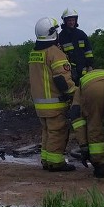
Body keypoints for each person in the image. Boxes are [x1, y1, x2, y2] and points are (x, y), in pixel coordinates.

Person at [28, 15, 76, 172]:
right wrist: (73, 93)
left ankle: (47, 160)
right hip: (55, 102)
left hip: (40, 104)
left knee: (47, 132)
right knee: (58, 132)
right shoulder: (54, 52)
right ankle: (56, 163)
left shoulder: (34, 53)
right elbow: (62, 78)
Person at [57, 9, 94, 84]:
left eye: (73, 20)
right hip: (69, 71)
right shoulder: (61, 37)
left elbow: (88, 51)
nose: (71, 22)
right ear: (65, 21)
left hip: (83, 70)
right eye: (69, 20)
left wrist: (90, 66)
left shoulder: (81, 34)